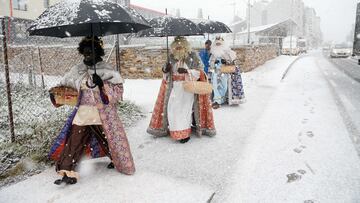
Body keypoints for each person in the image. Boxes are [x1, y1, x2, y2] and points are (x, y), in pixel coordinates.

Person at [48, 36, 135, 185]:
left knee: (109, 138)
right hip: (83, 112)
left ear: (98, 53)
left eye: (91, 53)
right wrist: (55, 91)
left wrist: (102, 85)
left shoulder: (107, 70)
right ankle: (68, 172)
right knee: (75, 140)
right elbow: (64, 84)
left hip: (103, 113)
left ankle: (117, 160)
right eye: (85, 53)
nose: (88, 56)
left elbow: (118, 92)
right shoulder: (77, 70)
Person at [147, 36, 216, 143]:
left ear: (185, 47)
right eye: (176, 48)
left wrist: (187, 71)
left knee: (185, 111)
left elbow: (201, 73)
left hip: (187, 88)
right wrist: (166, 70)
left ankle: (184, 134)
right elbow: (166, 76)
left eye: (181, 47)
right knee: (172, 109)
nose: (178, 50)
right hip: (173, 88)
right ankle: (175, 131)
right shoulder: (171, 57)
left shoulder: (193, 56)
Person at [209, 36, 245, 109]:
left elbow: (231, 62)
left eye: (219, 44)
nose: (218, 45)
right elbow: (210, 63)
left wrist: (225, 61)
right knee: (215, 85)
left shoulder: (226, 52)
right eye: (217, 44)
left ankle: (223, 99)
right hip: (216, 72)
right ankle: (217, 101)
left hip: (224, 72)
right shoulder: (213, 53)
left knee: (224, 86)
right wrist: (214, 63)